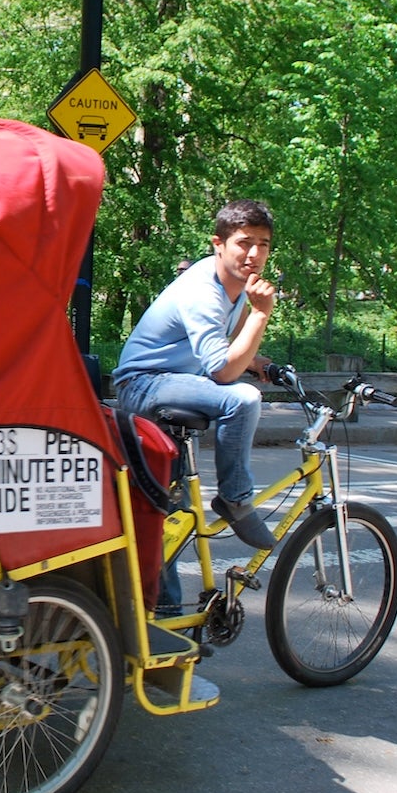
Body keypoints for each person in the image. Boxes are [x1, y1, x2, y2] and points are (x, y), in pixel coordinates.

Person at [112, 200, 279, 552]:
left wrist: (257, 361)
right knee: (243, 399)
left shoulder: (234, 286)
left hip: (174, 384)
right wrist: (261, 315)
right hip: (144, 384)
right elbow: (222, 371)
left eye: (263, 244)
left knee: (173, 517)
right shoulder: (203, 290)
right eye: (244, 242)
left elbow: (226, 340)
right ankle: (235, 498)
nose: (254, 254)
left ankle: (168, 607)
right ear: (218, 244)